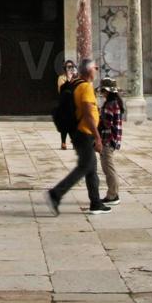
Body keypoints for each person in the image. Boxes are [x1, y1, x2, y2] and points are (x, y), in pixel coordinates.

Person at [46, 58, 110, 216]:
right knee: (84, 167)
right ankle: (55, 193)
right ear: (89, 70)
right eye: (95, 68)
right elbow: (88, 114)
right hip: (85, 133)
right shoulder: (86, 87)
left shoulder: (75, 83)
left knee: (91, 169)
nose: (97, 70)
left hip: (78, 132)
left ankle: (95, 203)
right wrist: (98, 137)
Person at [97, 77, 125, 207]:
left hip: (108, 139)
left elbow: (107, 123)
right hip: (112, 139)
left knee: (108, 168)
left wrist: (97, 115)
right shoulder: (115, 102)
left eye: (103, 91)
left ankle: (113, 195)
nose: (102, 93)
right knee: (108, 167)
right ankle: (113, 193)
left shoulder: (110, 104)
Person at [54, 60, 77, 149]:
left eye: (71, 66)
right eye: (68, 67)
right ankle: (63, 142)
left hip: (73, 104)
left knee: (74, 124)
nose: (70, 68)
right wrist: (69, 79)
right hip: (64, 104)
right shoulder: (61, 78)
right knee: (64, 124)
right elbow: (62, 90)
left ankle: (74, 141)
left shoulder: (76, 78)